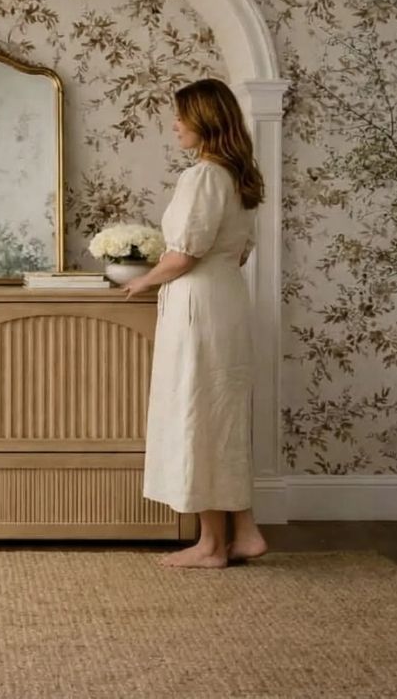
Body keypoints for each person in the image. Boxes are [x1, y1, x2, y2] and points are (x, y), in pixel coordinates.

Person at [123, 78, 267, 568]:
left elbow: (184, 253)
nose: (175, 124)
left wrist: (143, 282)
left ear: (204, 120)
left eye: (181, 115)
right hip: (226, 298)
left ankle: (210, 546)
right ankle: (243, 531)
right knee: (222, 415)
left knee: (199, 414)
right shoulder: (240, 177)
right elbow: (240, 251)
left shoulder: (204, 176)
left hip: (198, 305)